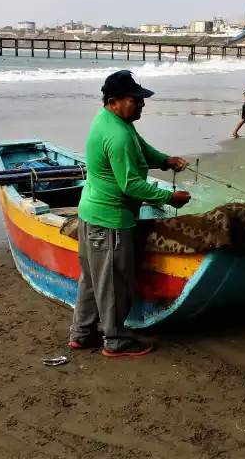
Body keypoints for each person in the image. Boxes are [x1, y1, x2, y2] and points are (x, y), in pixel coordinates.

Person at [69, 70, 192, 357]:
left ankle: (82, 333)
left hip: (91, 213)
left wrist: (164, 160)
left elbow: (140, 147)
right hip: (110, 220)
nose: (142, 104)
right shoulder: (117, 134)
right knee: (114, 282)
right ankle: (116, 340)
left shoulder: (110, 121)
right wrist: (169, 197)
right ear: (114, 101)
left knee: (92, 278)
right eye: (135, 100)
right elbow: (131, 185)